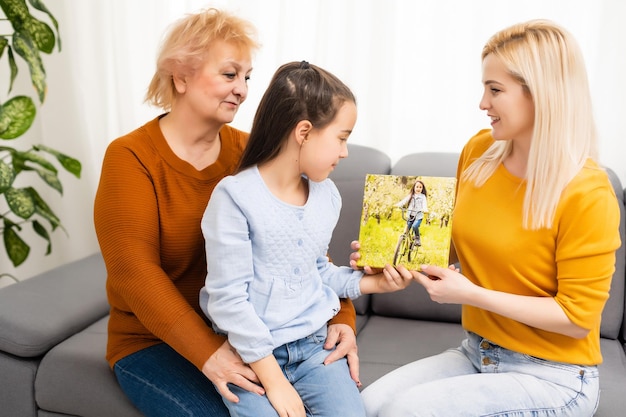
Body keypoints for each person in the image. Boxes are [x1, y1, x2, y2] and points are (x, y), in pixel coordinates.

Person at [93, 10, 360, 417]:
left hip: (244, 332)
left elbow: (298, 245)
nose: (242, 90)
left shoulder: (251, 153)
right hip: (155, 342)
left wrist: (341, 314)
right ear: (180, 77)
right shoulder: (131, 157)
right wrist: (210, 353)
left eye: (247, 77)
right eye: (229, 74)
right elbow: (135, 275)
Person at [358, 19, 621, 416]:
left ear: (541, 95)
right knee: (365, 405)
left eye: (495, 90)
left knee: (407, 412)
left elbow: (576, 318)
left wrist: (470, 294)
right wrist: (390, 256)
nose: (483, 103)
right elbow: (448, 242)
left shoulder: (588, 193)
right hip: (478, 351)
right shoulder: (480, 152)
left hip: (554, 377)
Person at [199, 61, 415, 417]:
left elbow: (317, 274)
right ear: (304, 132)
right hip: (251, 357)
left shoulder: (327, 196)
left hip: (315, 349)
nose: (345, 152)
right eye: (342, 138)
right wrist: (275, 382)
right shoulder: (235, 197)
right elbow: (228, 302)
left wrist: (377, 284)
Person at [394, 179, 428, 246]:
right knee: (407, 229)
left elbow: (424, 204)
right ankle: (403, 244)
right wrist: (398, 205)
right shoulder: (411, 195)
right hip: (410, 215)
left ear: (422, 189)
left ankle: (417, 238)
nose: (418, 188)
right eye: (417, 187)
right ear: (414, 187)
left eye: (420, 187)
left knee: (415, 226)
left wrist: (425, 209)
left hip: (418, 216)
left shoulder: (422, 197)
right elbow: (404, 201)